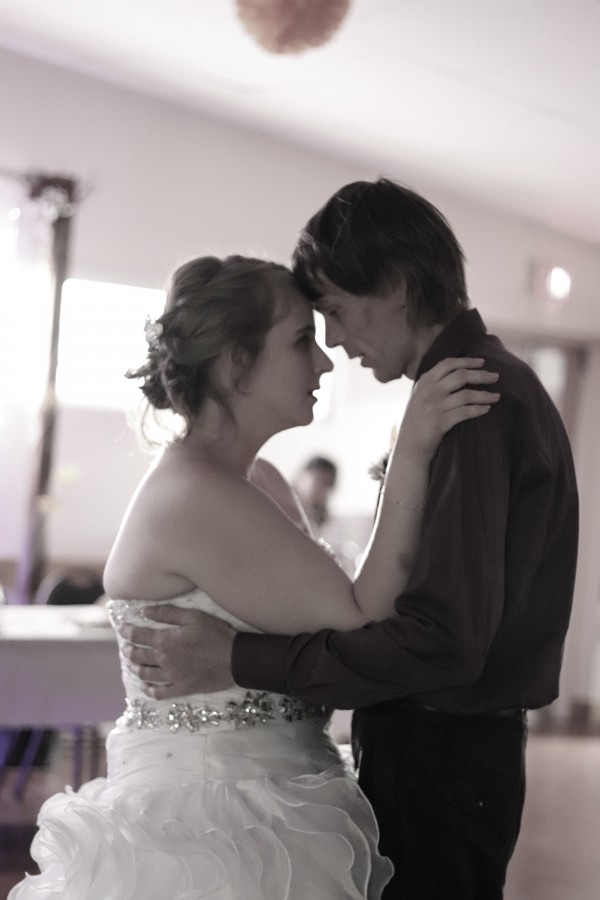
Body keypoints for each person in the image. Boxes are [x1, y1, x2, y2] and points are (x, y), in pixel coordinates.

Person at [120, 180, 579, 899]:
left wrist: (235, 657)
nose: (332, 345)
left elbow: (440, 640)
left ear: (393, 286)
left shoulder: (472, 401)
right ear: (235, 363)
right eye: (307, 333)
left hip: (440, 755)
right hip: (331, 782)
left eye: (332, 312)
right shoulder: (463, 396)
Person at [9, 253, 499, 900]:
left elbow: (337, 614)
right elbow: (365, 615)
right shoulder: (195, 495)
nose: (324, 362)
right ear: (235, 363)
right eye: (300, 341)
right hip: (218, 828)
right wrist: (411, 449)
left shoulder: (257, 480)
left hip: (279, 795)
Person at [293, 455, 338, 532]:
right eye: (317, 478)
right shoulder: (278, 502)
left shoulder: (317, 520)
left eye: (327, 483)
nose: (320, 487)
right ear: (302, 474)